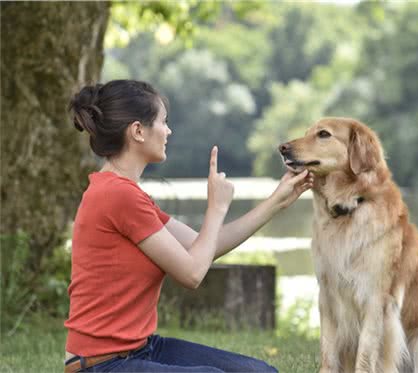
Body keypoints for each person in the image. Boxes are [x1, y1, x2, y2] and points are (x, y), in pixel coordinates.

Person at [63, 79, 313, 372]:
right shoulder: (117, 195)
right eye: (163, 122)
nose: (168, 131)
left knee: (260, 372)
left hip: (141, 349)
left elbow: (203, 247)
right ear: (138, 131)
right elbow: (193, 273)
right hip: (101, 365)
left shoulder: (127, 194)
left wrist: (278, 201)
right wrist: (216, 208)